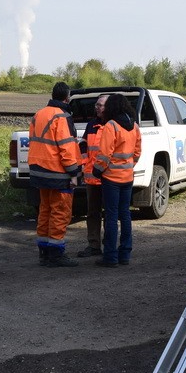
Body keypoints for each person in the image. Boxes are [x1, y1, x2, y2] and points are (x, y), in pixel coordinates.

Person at [28, 81, 82, 268]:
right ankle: (56, 255)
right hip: (58, 174)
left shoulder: (39, 114)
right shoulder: (62, 117)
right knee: (60, 213)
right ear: (67, 98)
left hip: (39, 172)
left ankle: (44, 252)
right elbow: (67, 149)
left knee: (45, 211)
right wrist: (74, 172)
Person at [91, 93, 142, 267]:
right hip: (127, 177)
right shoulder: (134, 126)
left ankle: (110, 257)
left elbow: (105, 154)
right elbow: (137, 152)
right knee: (125, 215)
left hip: (111, 178)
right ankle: (125, 255)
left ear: (111, 107)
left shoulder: (111, 126)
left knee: (111, 217)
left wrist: (97, 171)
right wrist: (128, 166)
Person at [77, 94, 108, 258]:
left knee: (110, 213)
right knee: (92, 213)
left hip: (109, 179)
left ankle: (109, 246)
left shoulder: (114, 125)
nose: (97, 107)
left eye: (101, 105)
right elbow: (83, 145)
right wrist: (84, 164)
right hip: (92, 178)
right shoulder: (91, 125)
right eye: (96, 105)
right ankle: (94, 245)